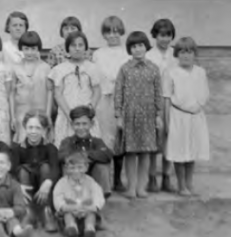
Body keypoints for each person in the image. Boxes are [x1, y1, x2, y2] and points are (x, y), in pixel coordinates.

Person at [114, 31, 163, 199]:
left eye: (140, 45)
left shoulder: (154, 69)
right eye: (134, 47)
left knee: (145, 152)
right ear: (129, 49)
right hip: (130, 115)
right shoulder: (125, 69)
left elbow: (158, 93)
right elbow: (118, 93)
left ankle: (142, 187)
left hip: (148, 115)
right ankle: (131, 187)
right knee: (131, 152)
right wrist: (118, 115)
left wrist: (158, 114)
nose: (137, 49)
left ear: (146, 47)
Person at [163, 37, 210, 197]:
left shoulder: (200, 72)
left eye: (189, 52)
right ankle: (181, 185)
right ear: (177, 54)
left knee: (192, 151)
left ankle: (190, 183)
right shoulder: (171, 73)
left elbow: (204, 94)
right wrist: (167, 121)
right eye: (182, 52)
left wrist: (198, 107)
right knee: (179, 151)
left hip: (196, 116)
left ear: (194, 54)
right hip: (178, 116)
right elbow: (167, 98)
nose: (186, 56)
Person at [91, 16, 130, 192]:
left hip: (122, 101)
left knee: (120, 139)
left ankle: (118, 179)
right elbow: (95, 78)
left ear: (121, 32)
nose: (112, 35)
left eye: (116, 31)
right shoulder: (98, 54)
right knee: (105, 139)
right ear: (104, 34)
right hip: (104, 101)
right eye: (108, 31)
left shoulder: (127, 53)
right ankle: (104, 181)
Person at [48, 31, 102, 147]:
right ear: (67, 48)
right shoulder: (60, 70)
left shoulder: (92, 68)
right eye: (73, 45)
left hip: (87, 115)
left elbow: (97, 91)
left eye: (80, 45)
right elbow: (58, 94)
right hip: (67, 115)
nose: (77, 49)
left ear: (85, 47)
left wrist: (89, 111)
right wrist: (70, 115)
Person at [10, 111, 59, 232]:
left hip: (44, 188)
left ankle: (46, 212)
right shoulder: (17, 149)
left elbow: (55, 168)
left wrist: (48, 182)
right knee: (21, 170)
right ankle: (27, 212)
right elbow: (11, 171)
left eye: (38, 128)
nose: (33, 131)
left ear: (45, 130)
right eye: (30, 127)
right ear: (24, 128)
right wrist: (17, 186)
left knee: (46, 167)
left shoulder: (50, 148)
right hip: (25, 187)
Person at [146, 19, 179, 193]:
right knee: (154, 141)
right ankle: (151, 177)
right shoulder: (149, 55)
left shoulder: (176, 54)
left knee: (170, 140)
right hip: (154, 101)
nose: (165, 39)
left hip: (172, 101)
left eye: (168, 35)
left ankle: (167, 176)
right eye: (161, 35)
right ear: (155, 35)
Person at [58, 106, 113, 198]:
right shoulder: (67, 141)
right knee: (66, 165)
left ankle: (99, 200)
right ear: (72, 125)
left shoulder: (97, 141)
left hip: (92, 179)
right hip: (74, 178)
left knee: (102, 166)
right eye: (77, 124)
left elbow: (107, 155)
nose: (81, 127)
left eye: (84, 124)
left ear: (91, 124)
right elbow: (62, 156)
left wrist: (86, 154)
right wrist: (81, 159)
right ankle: (69, 199)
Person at [10, 31, 52, 144]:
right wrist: (13, 116)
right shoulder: (15, 68)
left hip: (41, 112)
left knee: (40, 142)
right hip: (21, 112)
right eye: (26, 48)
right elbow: (12, 93)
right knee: (23, 141)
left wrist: (48, 114)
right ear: (21, 48)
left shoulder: (45, 67)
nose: (29, 52)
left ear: (38, 48)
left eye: (33, 49)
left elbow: (49, 92)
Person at [53, 151, 105, 237]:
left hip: (87, 209)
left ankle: (89, 228)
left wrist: (94, 206)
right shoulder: (62, 183)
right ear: (66, 168)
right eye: (72, 168)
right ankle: (71, 227)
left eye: (80, 167)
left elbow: (98, 195)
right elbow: (57, 197)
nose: (76, 171)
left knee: (91, 215)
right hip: (69, 210)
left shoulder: (91, 182)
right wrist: (64, 207)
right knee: (67, 214)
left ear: (86, 167)